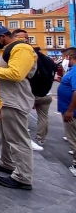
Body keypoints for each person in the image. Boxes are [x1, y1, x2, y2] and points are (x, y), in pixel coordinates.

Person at [0, 25, 37, 190]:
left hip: (14, 101)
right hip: (3, 100)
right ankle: (6, 162)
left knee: (17, 139)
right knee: (3, 135)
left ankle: (23, 176)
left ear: (1, 37)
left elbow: (17, 74)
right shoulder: (5, 50)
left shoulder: (22, 48)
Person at [12, 29, 51, 150]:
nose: (23, 40)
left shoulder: (23, 53)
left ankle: (26, 138)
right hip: (45, 92)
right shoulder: (43, 57)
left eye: (24, 38)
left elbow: (20, 75)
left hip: (32, 92)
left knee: (21, 114)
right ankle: (40, 139)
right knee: (43, 117)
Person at [56, 47, 76, 177]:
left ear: (69, 57)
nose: (62, 59)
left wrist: (70, 110)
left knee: (73, 138)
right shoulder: (72, 70)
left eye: (63, 57)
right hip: (69, 110)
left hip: (71, 112)